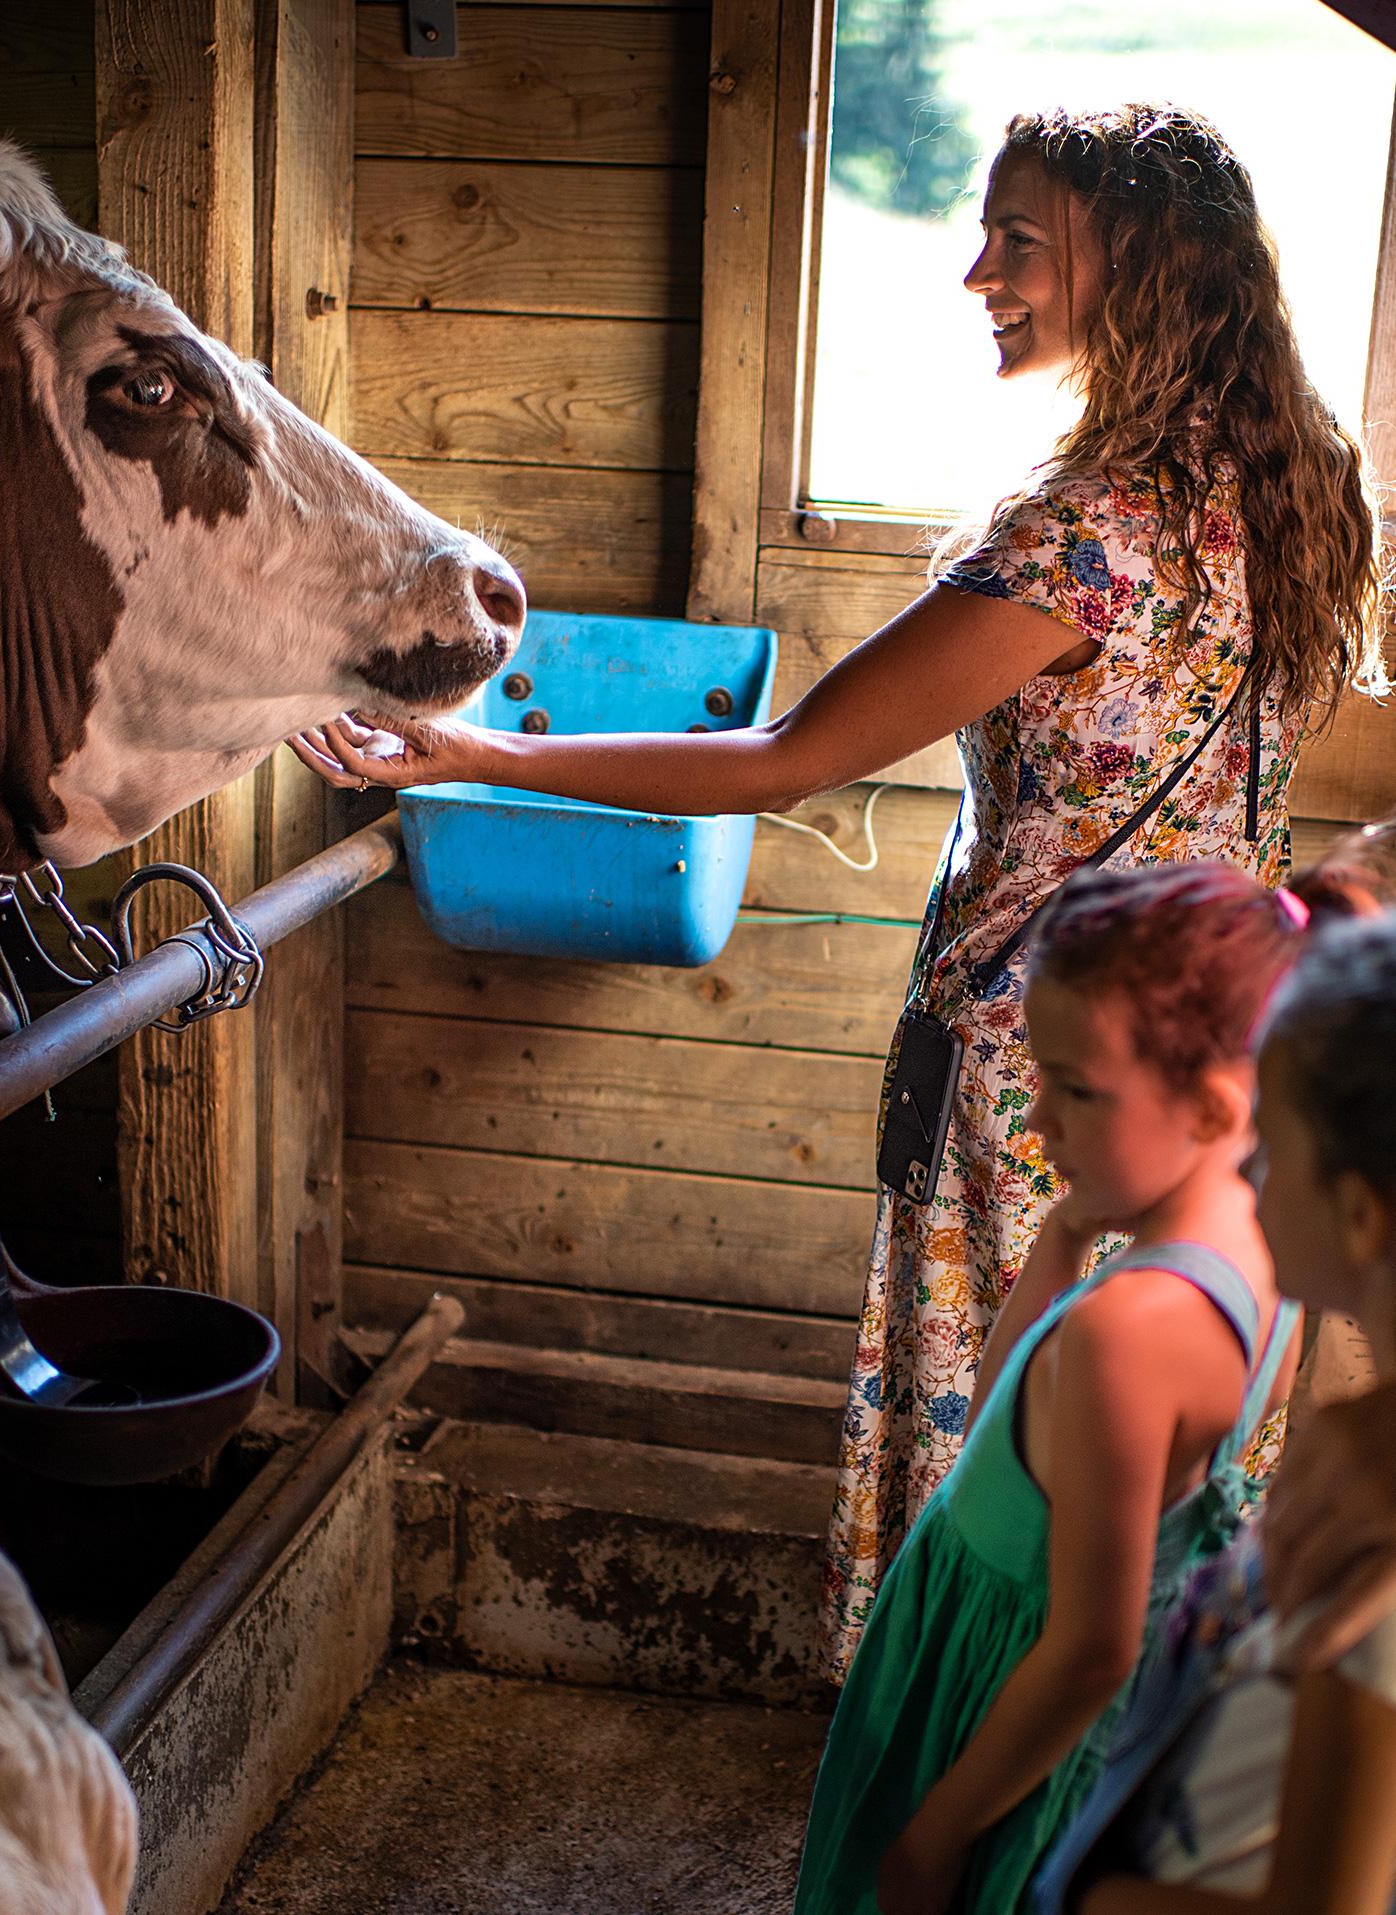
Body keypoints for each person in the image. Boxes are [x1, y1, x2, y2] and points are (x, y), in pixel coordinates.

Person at [289, 104, 1384, 1679]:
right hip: (1233, 1051)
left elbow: (787, 758)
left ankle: (948, 1768)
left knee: (998, 1469)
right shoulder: (1290, 499)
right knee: (1167, 1471)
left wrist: (460, 752)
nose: (974, 273)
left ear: (1133, 272)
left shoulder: (1083, 539)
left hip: (1040, 1070)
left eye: (1019, 241)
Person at [791, 862, 1302, 1915]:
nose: (1039, 1117)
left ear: (1209, 1105)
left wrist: (937, 1831)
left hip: (1003, 1696)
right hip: (1023, 1649)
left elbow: (1090, 1647)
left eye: (1075, 1089)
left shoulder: (1131, 1330)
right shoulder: (1266, 1258)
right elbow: (996, 1427)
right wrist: (1066, 1227)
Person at [1029, 911, 1396, 1915]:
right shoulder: (1354, 1447)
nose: (1239, 1171)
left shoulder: (1369, 1593)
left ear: (1358, 1212)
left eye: (1266, 1146)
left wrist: (1085, 1897)